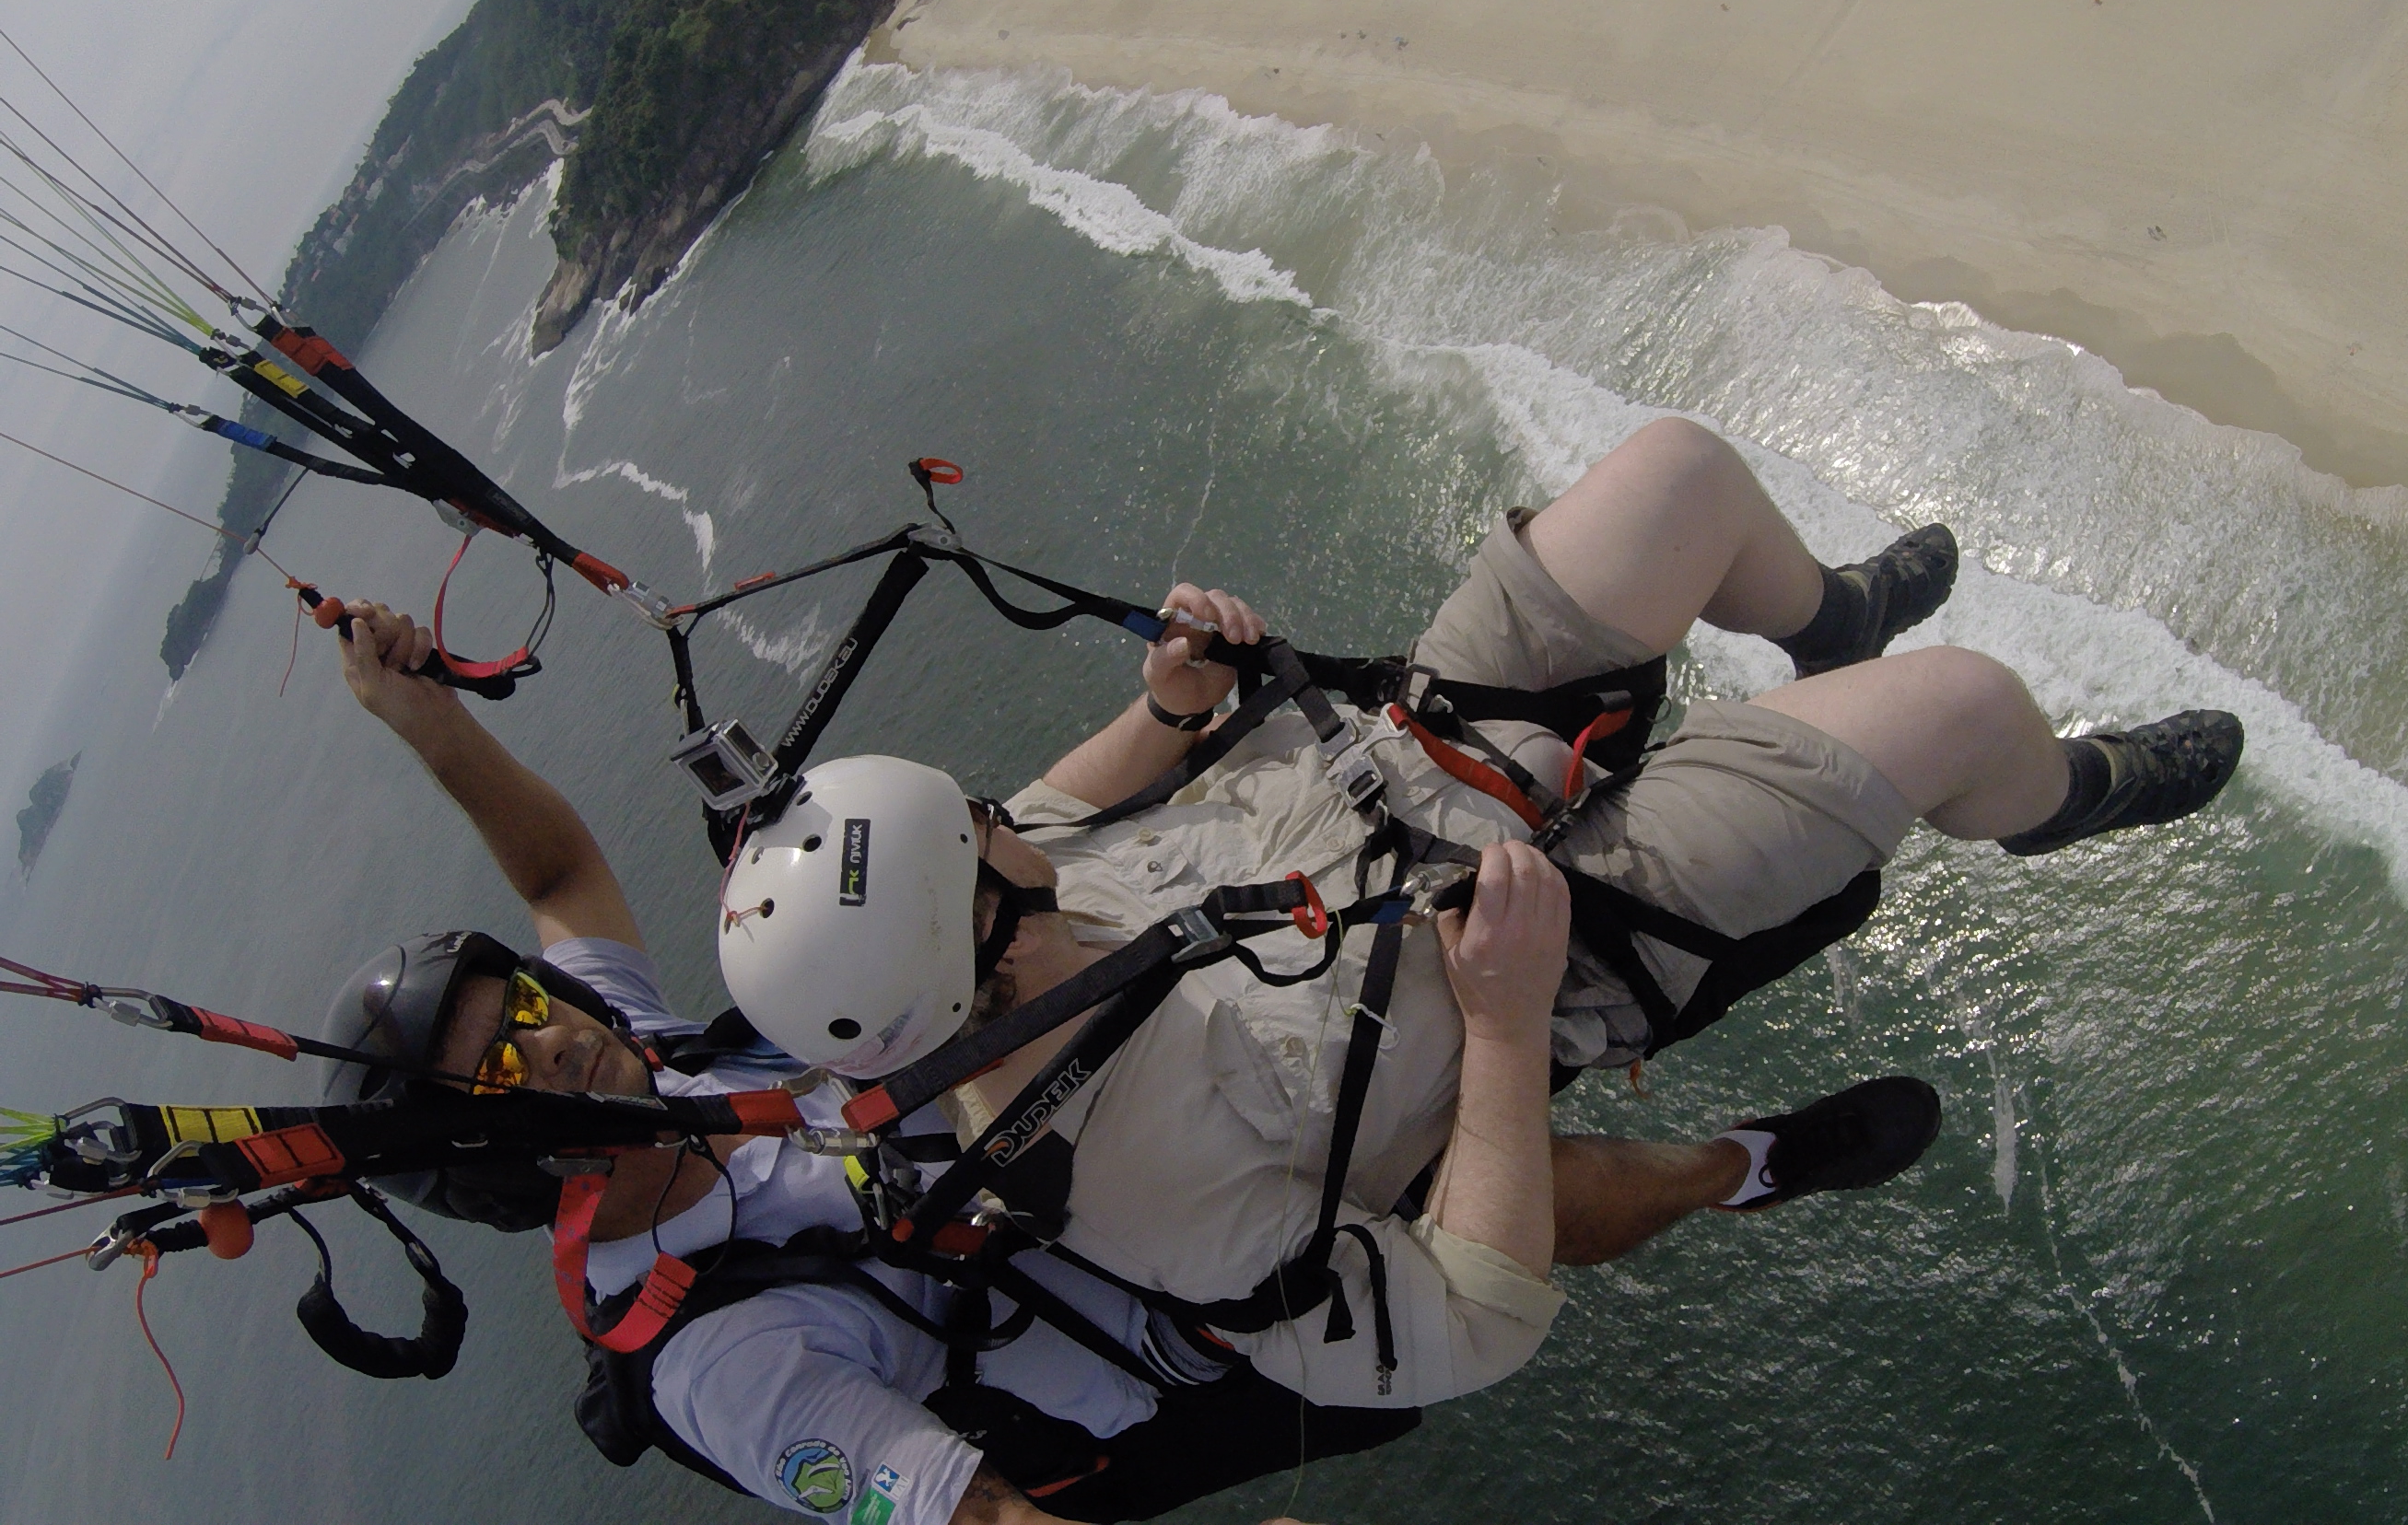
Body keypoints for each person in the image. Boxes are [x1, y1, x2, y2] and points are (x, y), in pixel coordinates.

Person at [316, 482, 1952, 1523]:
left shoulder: (649, 1066)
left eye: (521, 1007)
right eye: (512, 1057)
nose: (553, 1027)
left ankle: (1789, 747)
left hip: (1102, 1102)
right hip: (1194, 1327)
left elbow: (555, 876)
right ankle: (1735, 1171)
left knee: (1388, 1046)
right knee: (1465, 1172)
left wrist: (416, 718)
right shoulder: (720, 1368)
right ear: (529, 1158)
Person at [703, 417, 2241, 1419]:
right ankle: (2061, 796)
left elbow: (1057, 800)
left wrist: (1170, 703)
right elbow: (1475, 1314)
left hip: (1423, 751)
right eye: (961, 834)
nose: (985, 812)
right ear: (967, 944)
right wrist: (1505, 1031)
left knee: (1678, 474)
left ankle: (1829, 619)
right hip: (1565, 943)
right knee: (1967, 708)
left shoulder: (999, 897)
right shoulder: (1147, 1198)